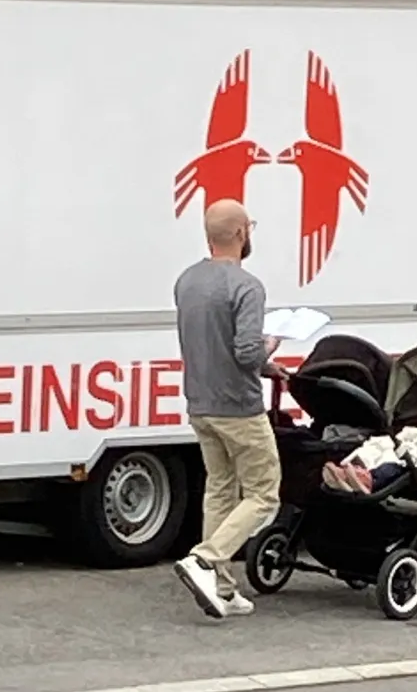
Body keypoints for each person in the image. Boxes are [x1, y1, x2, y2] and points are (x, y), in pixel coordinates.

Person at [172, 198, 288, 619]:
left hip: (199, 403)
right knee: (263, 493)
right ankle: (204, 558)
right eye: (249, 226)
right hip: (239, 407)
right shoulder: (246, 286)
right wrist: (268, 347)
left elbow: (214, 342)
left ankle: (221, 587)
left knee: (220, 490)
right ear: (241, 233)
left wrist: (267, 365)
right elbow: (243, 351)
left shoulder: (186, 281)